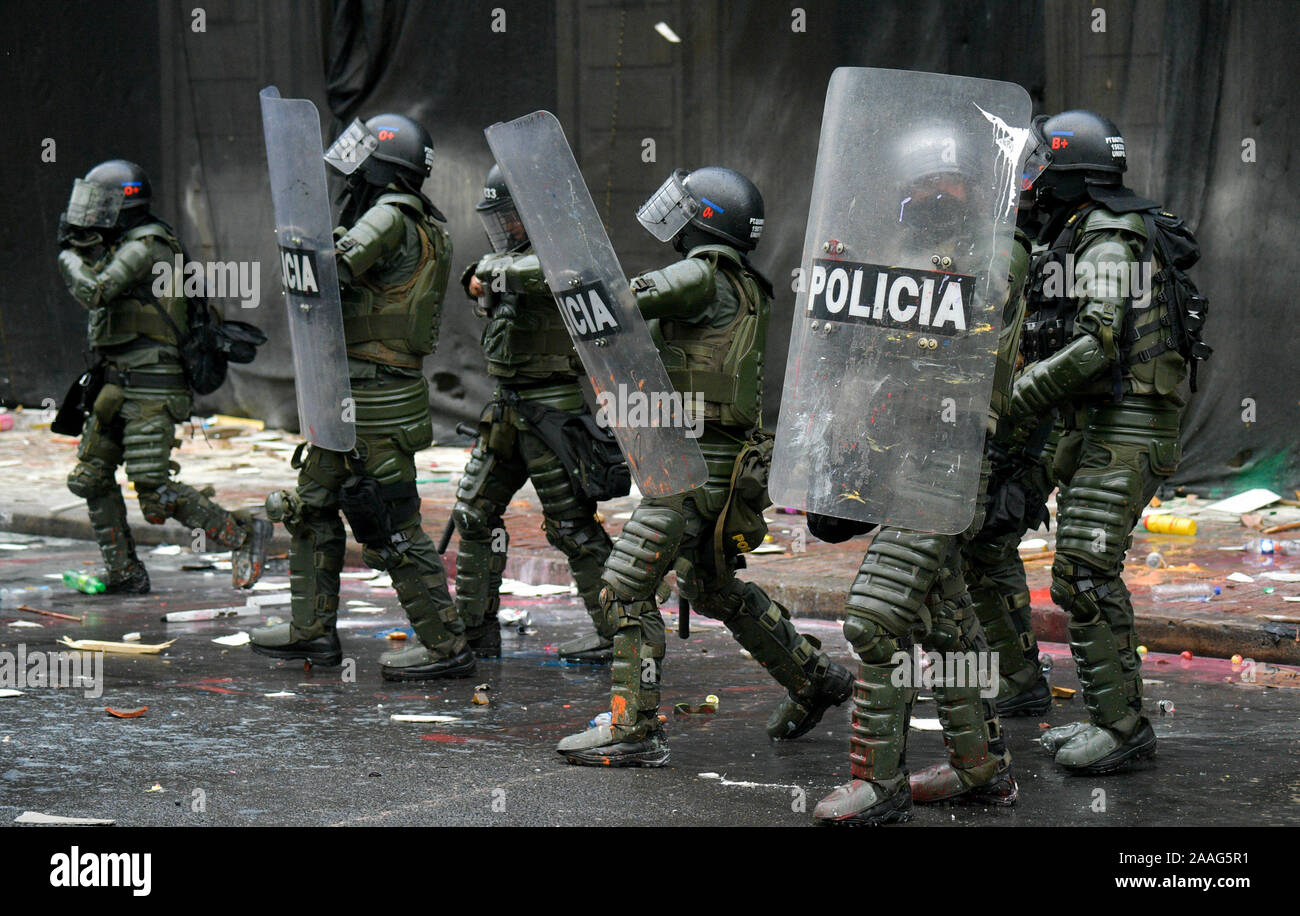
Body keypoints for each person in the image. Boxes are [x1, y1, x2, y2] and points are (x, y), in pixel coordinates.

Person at [556, 166, 854, 767]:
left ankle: (633, 725)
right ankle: (814, 678)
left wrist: (577, 289)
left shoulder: (704, 273)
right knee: (713, 588)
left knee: (623, 591)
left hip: (693, 471)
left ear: (705, 221)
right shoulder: (741, 282)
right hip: (711, 465)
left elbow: (626, 300)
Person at [812, 124, 1037, 824]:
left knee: (875, 619)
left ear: (974, 187)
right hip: (895, 453)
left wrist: (897, 304)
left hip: (952, 457)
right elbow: (857, 346)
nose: (938, 193)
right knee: (947, 624)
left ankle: (876, 783)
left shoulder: (1000, 249)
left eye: (951, 181)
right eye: (923, 182)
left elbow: (972, 322)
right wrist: (838, 294)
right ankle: (981, 768)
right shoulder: (902, 252)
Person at [1003, 109, 1205, 774]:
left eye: (1040, 166)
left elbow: (1096, 344)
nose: (1031, 180)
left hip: (1130, 423)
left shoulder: (1110, 236)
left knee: (1084, 574)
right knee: (1084, 574)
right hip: (1099, 421)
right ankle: (1114, 719)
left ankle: (1120, 729)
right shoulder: (1079, 230)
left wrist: (1020, 396)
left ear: (1069, 171)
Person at [250, 114, 472, 681]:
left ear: (380, 166)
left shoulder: (390, 216)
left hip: (373, 401)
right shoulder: (427, 222)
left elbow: (332, 268)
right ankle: (312, 630)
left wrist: (303, 247)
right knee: (311, 508)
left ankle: (446, 646)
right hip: (357, 394)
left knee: (390, 524)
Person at [57, 159, 270, 595]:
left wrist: (67, 257)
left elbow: (94, 291)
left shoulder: (148, 243)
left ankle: (243, 535)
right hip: (116, 381)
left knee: (154, 494)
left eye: (101, 206)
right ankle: (124, 573)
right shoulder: (120, 243)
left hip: (154, 384)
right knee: (90, 478)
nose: (91, 216)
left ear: (126, 204)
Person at [454, 165, 632, 662]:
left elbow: (547, 273)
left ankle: (618, 633)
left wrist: (486, 271)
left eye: (511, 216)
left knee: (571, 526)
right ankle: (473, 633)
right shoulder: (508, 258)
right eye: (499, 218)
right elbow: (491, 278)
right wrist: (484, 271)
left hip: (550, 409)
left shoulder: (567, 250)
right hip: (508, 406)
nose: (504, 227)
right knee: (473, 512)